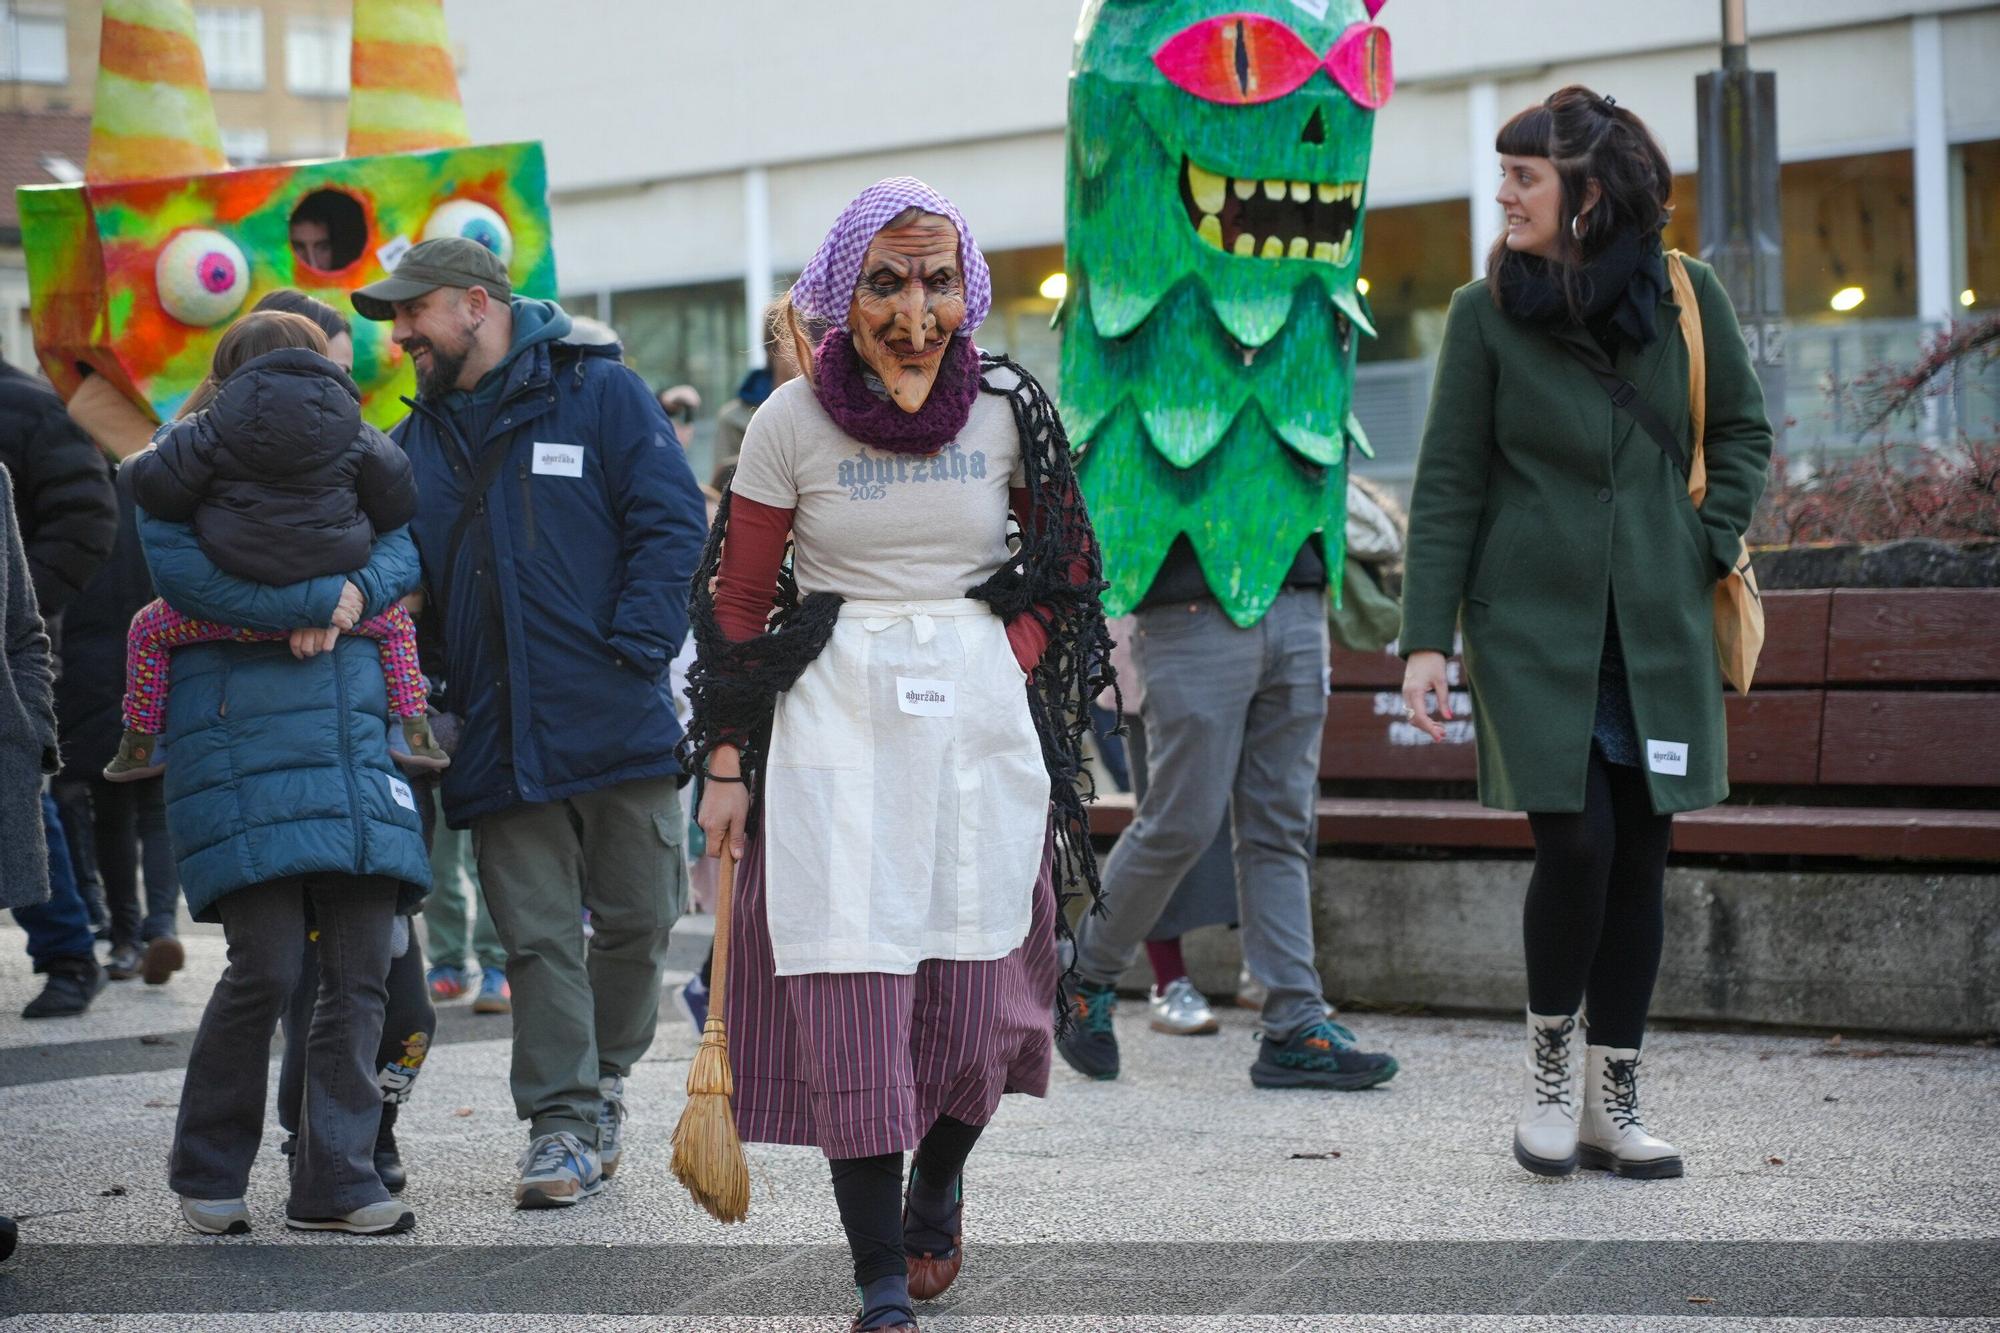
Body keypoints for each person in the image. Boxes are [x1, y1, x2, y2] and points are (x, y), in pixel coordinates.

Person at [685, 177, 1114, 1333]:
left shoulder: (1006, 411)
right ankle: (879, 1274)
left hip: (974, 736)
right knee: (851, 996)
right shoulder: (787, 424)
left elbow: (1069, 567)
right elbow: (737, 601)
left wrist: (1002, 649)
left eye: (934, 280)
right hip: (834, 736)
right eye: (886, 282)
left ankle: (940, 1176)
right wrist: (726, 765)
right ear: (841, 296)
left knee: (994, 1001)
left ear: (966, 289)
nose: (913, 311)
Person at [1398, 87, 1773, 1182]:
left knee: (1642, 856)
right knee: (1576, 846)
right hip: (1532, 632)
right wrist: (1427, 638)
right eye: (1503, 173)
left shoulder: (1686, 296)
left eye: (1525, 175)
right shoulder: (1483, 312)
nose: (1503, 192)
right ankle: (1550, 1077)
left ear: (1587, 192)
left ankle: (1617, 1095)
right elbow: (1449, 484)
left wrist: (1704, 537)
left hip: (1656, 625)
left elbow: (1740, 428)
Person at [353, 236, 706, 1209]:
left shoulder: (600, 394)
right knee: (540, 938)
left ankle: (604, 1080)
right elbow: (406, 583)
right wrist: (430, 688)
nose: (401, 338)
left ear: (474, 304)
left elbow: (673, 523)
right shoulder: (412, 441)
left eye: (411, 315)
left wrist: (633, 647)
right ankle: (561, 1121)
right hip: (494, 734)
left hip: (614, 714)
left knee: (639, 917)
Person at [142, 309, 431, 1238]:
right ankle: (208, 1165)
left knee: (360, 972)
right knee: (263, 967)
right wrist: (311, 602)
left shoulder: (353, 450)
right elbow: (186, 577)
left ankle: (335, 1178)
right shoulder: (179, 461)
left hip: (347, 737)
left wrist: (351, 596)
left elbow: (405, 544)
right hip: (242, 743)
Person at [106, 311, 446, 780]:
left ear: (223, 376)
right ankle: (413, 728)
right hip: (344, 619)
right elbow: (398, 504)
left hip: (225, 621)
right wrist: (327, 601)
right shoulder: (357, 435)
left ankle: (142, 743)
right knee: (397, 628)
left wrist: (133, 463)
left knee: (147, 630)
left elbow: (153, 487)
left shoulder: (200, 435)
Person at [0, 355, 117, 1018]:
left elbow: (88, 523)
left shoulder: (36, 408)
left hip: (13, 652)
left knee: (17, 794)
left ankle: (69, 952)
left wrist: (14, 608)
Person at [53, 460, 185, 984]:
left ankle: (126, 939)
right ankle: (160, 926)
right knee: (157, 808)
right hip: (159, 658)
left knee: (111, 809)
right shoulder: (160, 484)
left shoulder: (74, 492)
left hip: (87, 670)